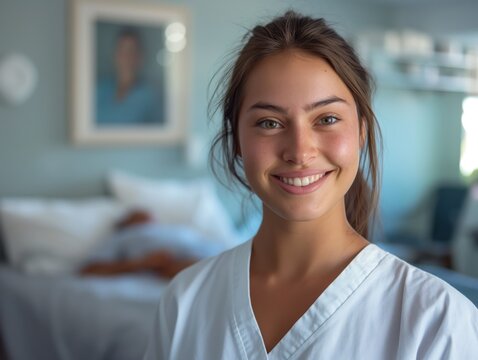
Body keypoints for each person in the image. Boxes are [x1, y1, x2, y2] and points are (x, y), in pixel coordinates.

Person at [143, 11, 478, 359]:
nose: (300, 151)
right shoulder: (184, 301)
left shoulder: (438, 322)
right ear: (237, 140)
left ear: (361, 131)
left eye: (327, 119)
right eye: (269, 122)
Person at [80, 210, 197, 279]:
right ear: (126, 223)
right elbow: (88, 270)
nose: (147, 215)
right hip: (174, 265)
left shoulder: (174, 229)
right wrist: (143, 263)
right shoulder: (123, 236)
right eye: (136, 215)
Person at [96, 27, 163, 126]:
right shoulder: (100, 89)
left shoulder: (149, 96)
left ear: (140, 57)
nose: (126, 57)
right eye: (122, 50)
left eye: (131, 51)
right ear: (115, 55)